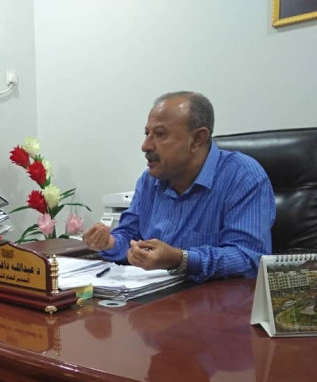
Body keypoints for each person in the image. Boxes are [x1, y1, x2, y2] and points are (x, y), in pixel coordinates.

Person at [83, 91, 275, 282]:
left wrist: (180, 259)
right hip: (154, 295)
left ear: (197, 139)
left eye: (160, 135)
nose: (145, 146)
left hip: (215, 298)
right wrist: (110, 243)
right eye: (147, 133)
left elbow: (248, 258)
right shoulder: (150, 180)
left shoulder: (242, 176)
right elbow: (130, 237)